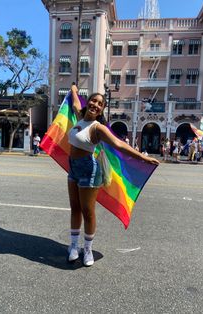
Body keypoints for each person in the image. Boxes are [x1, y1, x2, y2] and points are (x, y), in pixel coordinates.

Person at [67, 84, 159, 267]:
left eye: (100, 104)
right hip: (73, 168)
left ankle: (88, 249)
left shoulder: (97, 128)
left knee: (88, 211)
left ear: (102, 109)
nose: (95, 105)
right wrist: (74, 90)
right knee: (75, 208)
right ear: (89, 102)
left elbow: (118, 144)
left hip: (89, 170)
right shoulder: (79, 118)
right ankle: (73, 246)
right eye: (93, 100)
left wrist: (142, 157)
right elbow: (76, 103)